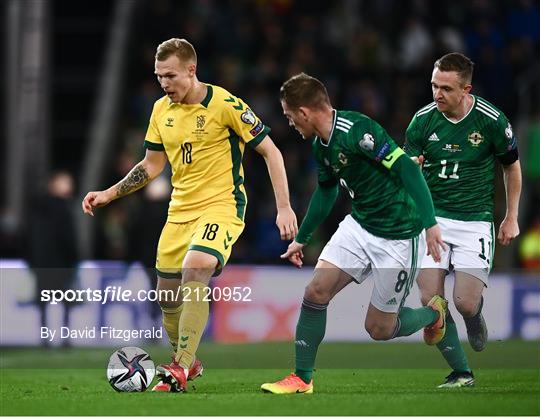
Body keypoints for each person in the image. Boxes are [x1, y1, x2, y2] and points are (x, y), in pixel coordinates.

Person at [82, 38, 297, 392]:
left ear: (191, 70)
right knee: (167, 296)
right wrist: (109, 193)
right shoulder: (160, 111)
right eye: (158, 77)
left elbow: (271, 152)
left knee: (195, 268)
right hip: (179, 211)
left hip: (221, 206)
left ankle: (180, 367)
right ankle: (190, 359)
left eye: (170, 75)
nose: (164, 84)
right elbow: (151, 166)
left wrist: (284, 207)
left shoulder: (225, 104)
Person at [261, 73, 447, 394]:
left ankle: (433, 314)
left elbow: (407, 168)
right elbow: (326, 192)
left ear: (304, 112)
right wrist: (302, 238)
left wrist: (431, 223)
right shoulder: (321, 145)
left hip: (399, 235)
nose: (290, 124)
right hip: (359, 226)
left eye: (290, 117)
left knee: (379, 328)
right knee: (315, 292)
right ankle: (302, 378)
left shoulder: (359, 131)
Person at [404, 52, 522, 388]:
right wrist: (412, 168)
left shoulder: (492, 121)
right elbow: (409, 169)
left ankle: (474, 316)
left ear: (466, 89)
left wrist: (510, 216)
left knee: (464, 303)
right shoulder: (422, 120)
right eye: (433, 86)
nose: (437, 94)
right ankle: (461, 372)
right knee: (431, 301)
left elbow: (511, 167)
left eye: (445, 88)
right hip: (433, 220)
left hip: (474, 221)